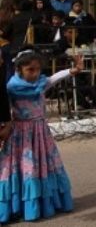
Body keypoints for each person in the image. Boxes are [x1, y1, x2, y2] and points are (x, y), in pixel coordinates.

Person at [0, 49, 79, 222]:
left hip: (41, 133)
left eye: (38, 69)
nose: (35, 74)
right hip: (21, 135)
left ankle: (45, 203)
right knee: (25, 168)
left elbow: (54, 78)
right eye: (30, 70)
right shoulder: (11, 87)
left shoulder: (41, 83)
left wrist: (72, 70)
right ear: (19, 69)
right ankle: (20, 207)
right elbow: (3, 108)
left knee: (43, 166)